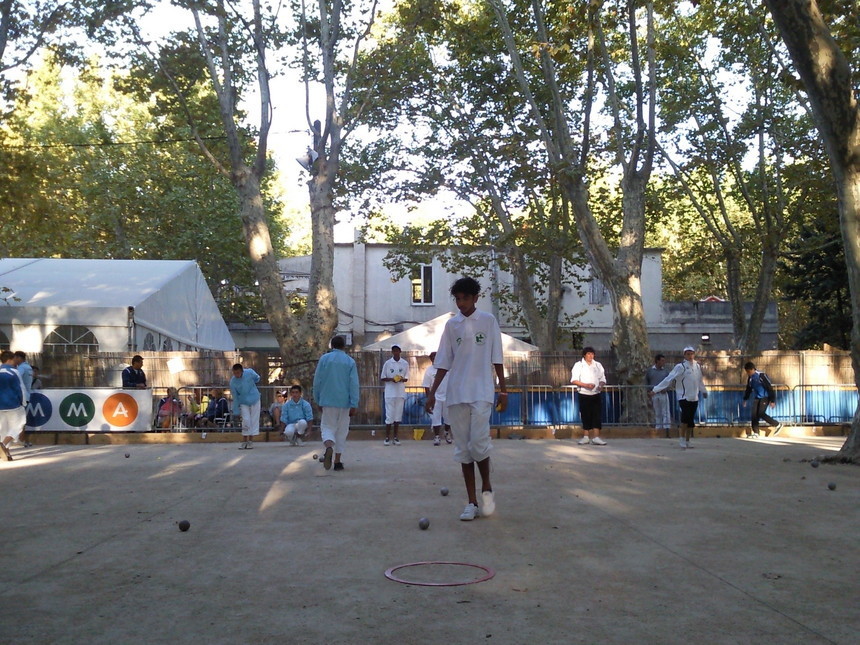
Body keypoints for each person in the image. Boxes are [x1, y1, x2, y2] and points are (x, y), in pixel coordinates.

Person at [425, 277, 507, 521]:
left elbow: (498, 358)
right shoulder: (452, 326)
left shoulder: (489, 321)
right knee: (463, 450)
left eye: (465, 298)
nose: (461, 304)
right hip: (456, 394)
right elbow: (442, 362)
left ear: (476, 298)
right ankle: (471, 502)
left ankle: (487, 488)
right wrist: (431, 394)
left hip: (481, 392)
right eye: (457, 299)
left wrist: (504, 390)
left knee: (479, 444)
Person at [313, 335, 360, 471]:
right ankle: (338, 462)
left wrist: (318, 399)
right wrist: (354, 403)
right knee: (342, 431)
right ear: (344, 346)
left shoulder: (324, 359)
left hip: (327, 400)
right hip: (344, 402)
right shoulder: (350, 361)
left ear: (331, 346)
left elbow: (317, 381)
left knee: (327, 427)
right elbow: (354, 384)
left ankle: (328, 447)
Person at [651, 346, 708, 449]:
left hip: (694, 397)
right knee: (684, 420)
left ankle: (688, 440)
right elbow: (669, 379)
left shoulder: (697, 366)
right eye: (688, 354)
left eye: (692, 354)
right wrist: (655, 389)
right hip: (683, 397)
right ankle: (681, 439)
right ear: (684, 355)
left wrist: (703, 391)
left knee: (691, 421)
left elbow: (699, 380)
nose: (690, 356)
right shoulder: (680, 366)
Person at [570, 347, 607, 445]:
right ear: (584, 355)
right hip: (584, 393)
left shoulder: (598, 365)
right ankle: (586, 436)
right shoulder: (578, 365)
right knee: (585, 415)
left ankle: (596, 437)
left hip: (596, 393)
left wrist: (600, 385)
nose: (591, 356)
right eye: (588, 354)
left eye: (592, 354)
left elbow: (603, 378)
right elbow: (574, 380)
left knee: (597, 415)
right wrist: (586, 385)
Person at [742, 361, 782, 438]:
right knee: (754, 414)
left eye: (749, 371)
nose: (748, 373)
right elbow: (749, 389)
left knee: (761, 413)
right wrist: (745, 399)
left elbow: (769, 387)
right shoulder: (750, 378)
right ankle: (756, 432)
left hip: (765, 397)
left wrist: (772, 400)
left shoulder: (761, 375)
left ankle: (777, 424)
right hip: (757, 397)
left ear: (753, 369)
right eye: (747, 372)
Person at [380, 344, 409, 446]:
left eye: (398, 351)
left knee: (398, 416)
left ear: (400, 351)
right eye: (394, 351)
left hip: (400, 393)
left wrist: (400, 379)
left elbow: (406, 378)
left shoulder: (405, 363)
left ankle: (396, 437)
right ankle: (387, 437)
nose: (396, 353)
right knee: (389, 416)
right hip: (390, 393)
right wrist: (392, 379)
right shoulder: (388, 363)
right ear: (392, 352)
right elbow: (383, 377)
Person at [0, 350, 26, 462]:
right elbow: (20, 389)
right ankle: (3, 444)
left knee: (3, 429)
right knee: (19, 425)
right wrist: (23, 402)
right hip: (13, 404)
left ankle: (6, 451)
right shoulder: (14, 372)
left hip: (0, 405)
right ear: (10, 359)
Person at [422, 351, 452, 446]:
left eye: (437, 357)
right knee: (436, 418)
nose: (435, 359)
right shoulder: (429, 371)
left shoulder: (447, 368)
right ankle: (437, 437)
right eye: (433, 358)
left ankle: (446, 432)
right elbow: (426, 386)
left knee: (448, 418)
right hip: (436, 398)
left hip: (447, 397)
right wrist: (429, 398)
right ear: (431, 359)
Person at [230, 363, 261, 449]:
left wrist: (252, 383)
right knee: (246, 420)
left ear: (242, 371)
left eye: (238, 373)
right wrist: (236, 410)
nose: (236, 375)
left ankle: (250, 441)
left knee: (254, 420)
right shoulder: (233, 382)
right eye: (234, 373)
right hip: (243, 401)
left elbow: (257, 378)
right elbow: (235, 396)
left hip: (255, 399)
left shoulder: (250, 372)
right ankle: (244, 440)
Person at [646, 354, 672, 435]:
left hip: (663, 393)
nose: (663, 362)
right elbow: (647, 381)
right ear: (657, 361)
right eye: (662, 361)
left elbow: (670, 382)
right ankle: (658, 427)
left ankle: (666, 428)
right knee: (657, 411)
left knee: (665, 411)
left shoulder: (666, 371)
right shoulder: (650, 371)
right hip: (654, 394)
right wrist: (649, 391)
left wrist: (667, 389)